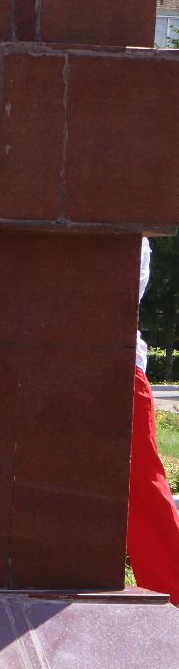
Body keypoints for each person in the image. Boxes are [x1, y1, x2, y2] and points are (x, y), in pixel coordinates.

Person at [128, 237, 179, 599]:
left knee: (144, 487)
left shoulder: (133, 235)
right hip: (49, 367)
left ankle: (174, 590)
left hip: (120, 370)